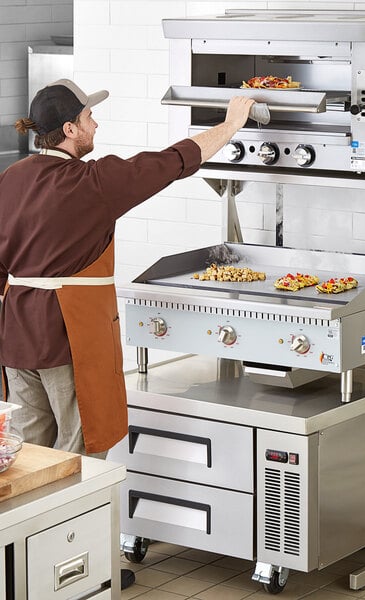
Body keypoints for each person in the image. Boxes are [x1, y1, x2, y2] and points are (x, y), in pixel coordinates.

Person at [0, 79, 254, 591]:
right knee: (81, 454)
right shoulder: (90, 183)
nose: (97, 124)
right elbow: (171, 161)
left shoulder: (10, 179)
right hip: (68, 337)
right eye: (89, 118)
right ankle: (77, 571)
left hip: (16, 335)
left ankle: (27, 573)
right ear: (69, 129)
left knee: (29, 456)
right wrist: (230, 125)